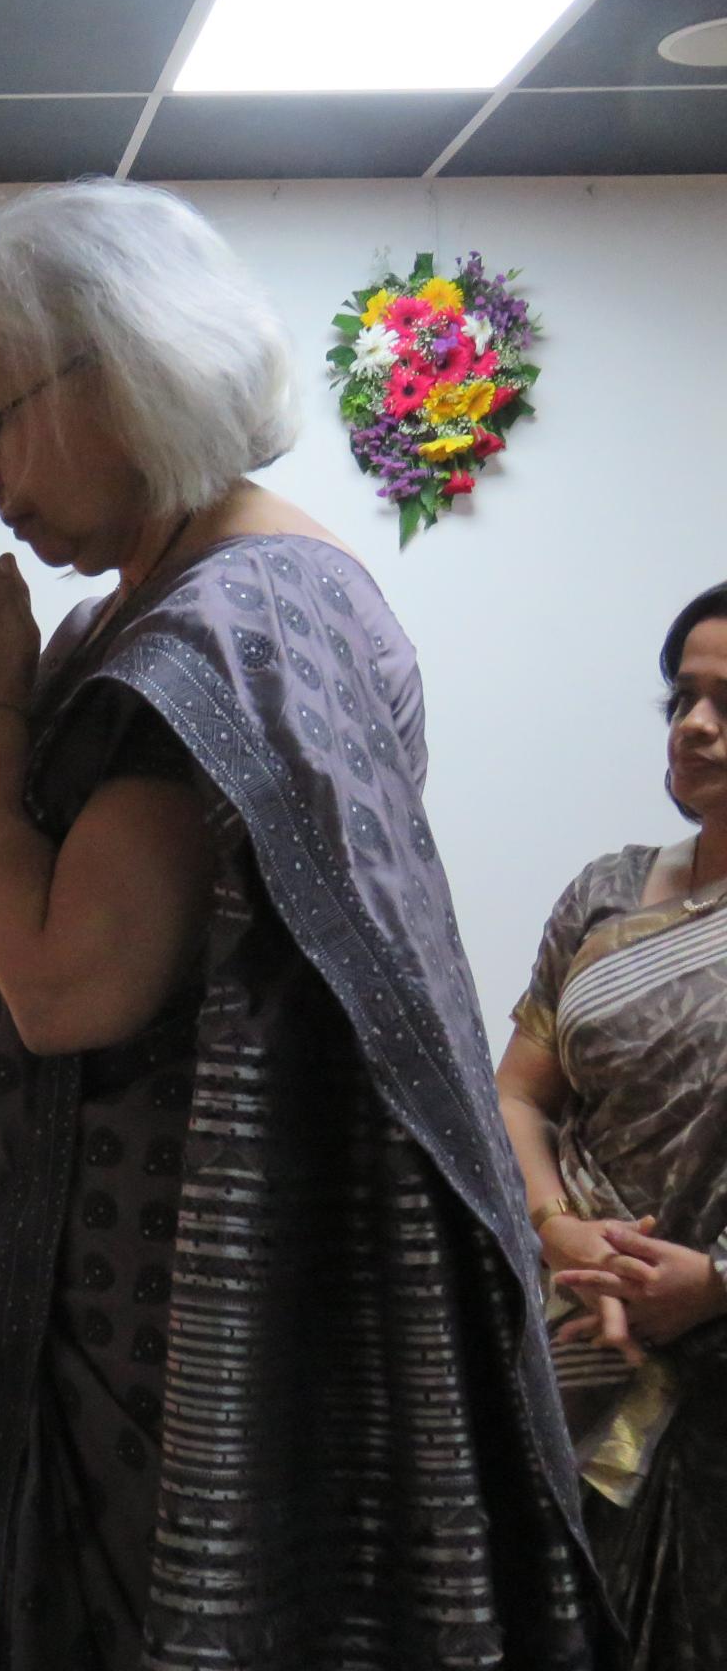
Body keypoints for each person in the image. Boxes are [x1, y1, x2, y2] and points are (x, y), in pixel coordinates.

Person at [0, 179, 604, 1670]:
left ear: (123, 368)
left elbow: (65, 990)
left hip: (222, 1318)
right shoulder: (109, 626)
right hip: (105, 1314)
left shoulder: (247, 622)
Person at [494, 581, 727, 1669]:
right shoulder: (607, 894)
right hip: (570, 1342)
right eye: (682, 698)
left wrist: (714, 1285)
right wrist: (556, 1229)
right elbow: (517, 1095)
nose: (695, 726)